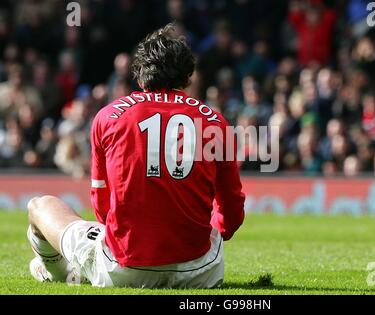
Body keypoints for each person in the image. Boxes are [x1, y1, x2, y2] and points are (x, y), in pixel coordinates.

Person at [26, 24, 246, 288]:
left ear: (140, 77)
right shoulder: (215, 121)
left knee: (39, 206)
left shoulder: (108, 116)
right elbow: (232, 212)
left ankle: (57, 272)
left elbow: (102, 207)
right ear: (188, 77)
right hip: (199, 272)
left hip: (124, 266)